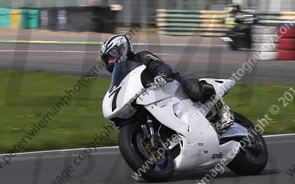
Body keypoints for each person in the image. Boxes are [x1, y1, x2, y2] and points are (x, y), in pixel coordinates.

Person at [99, 35, 234, 131]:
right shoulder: (122, 76)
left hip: (173, 89)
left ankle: (223, 110)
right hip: (151, 102)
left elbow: (160, 66)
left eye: (111, 56)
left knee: (192, 86)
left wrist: (161, 75)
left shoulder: (142, 56)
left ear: (122, 49)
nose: (110, 61)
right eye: (106, 59)